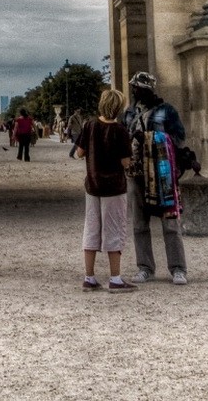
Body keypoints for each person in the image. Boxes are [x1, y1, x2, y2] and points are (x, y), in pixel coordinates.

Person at [123, 72, 188, 285]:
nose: (134, 91)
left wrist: (150, 138)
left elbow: (179, 137)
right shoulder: (129, 113)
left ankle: (178, 268)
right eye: (133, 87)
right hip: (137, 173)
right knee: (139, 224)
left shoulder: (167, 111)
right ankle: (145, 267)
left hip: (162, 174)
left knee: (170, 223)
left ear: (148, 89)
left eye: (137, 87)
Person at [74, 88, 136, 291]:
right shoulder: (120, 131)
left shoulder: (89, 125)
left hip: (93, 185)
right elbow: (126, 163)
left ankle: (89, 277)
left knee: (91, 229)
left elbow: (79, 153)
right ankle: (115, 278)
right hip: (114, 187)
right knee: (114, 230)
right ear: (118, 107)